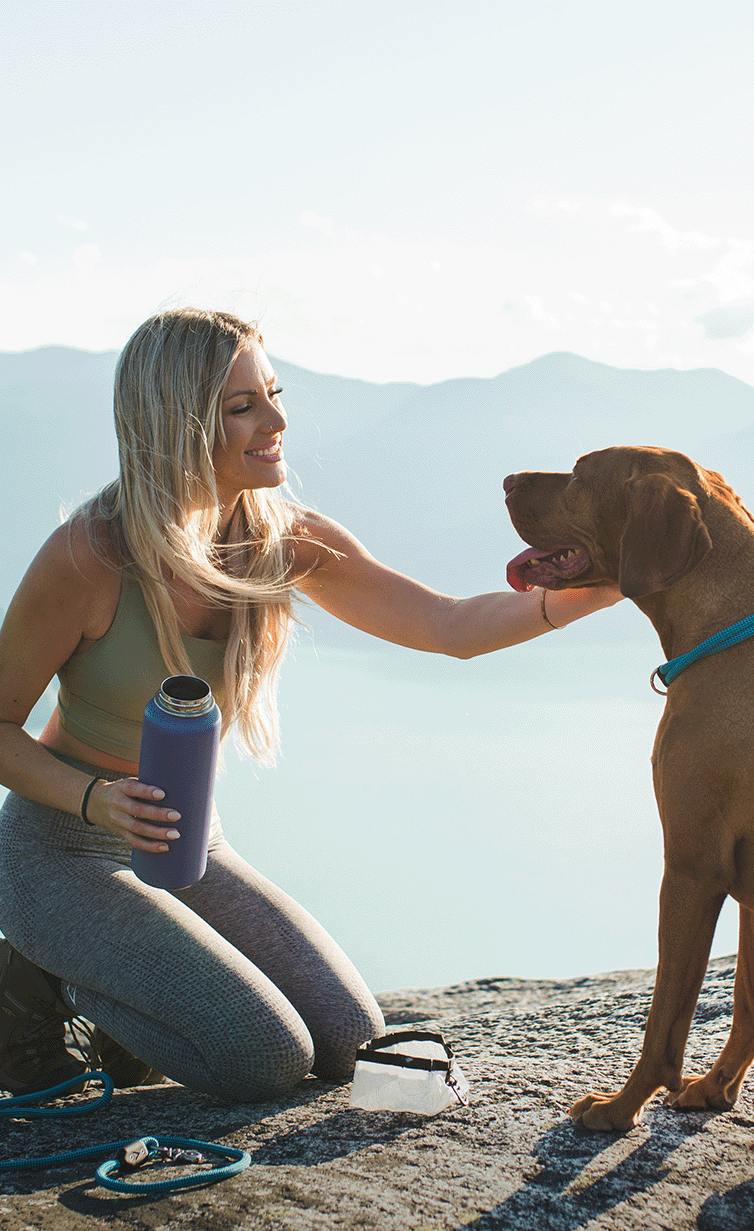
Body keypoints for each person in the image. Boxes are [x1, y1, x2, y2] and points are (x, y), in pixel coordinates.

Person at [0, 308, 620, 1102]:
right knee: (261, 1058)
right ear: (176, 425)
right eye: (242, 406)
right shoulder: (91, 555)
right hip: (62, 848)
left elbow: (446, 625)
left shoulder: (286, 538)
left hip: (190, 846)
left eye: (273, 391)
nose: (277, 419)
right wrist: (97, 800)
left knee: (348, 1044)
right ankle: (46, 976)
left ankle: (129, 1000)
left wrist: (603, 587)